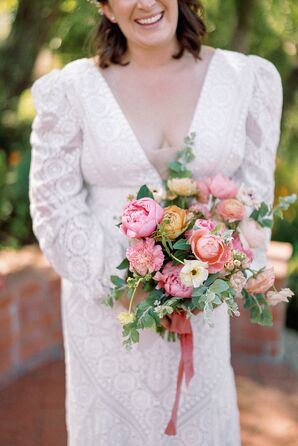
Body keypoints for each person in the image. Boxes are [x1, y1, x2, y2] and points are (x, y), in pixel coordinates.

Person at [29, 1, 283, 444]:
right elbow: (52, 203)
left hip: (201, 307)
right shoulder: (70, 91)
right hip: (108, 318)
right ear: (106, 8)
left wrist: (226, 270)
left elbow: (254, 197)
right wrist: (134, 286)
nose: (145, 3)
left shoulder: (247, 80)